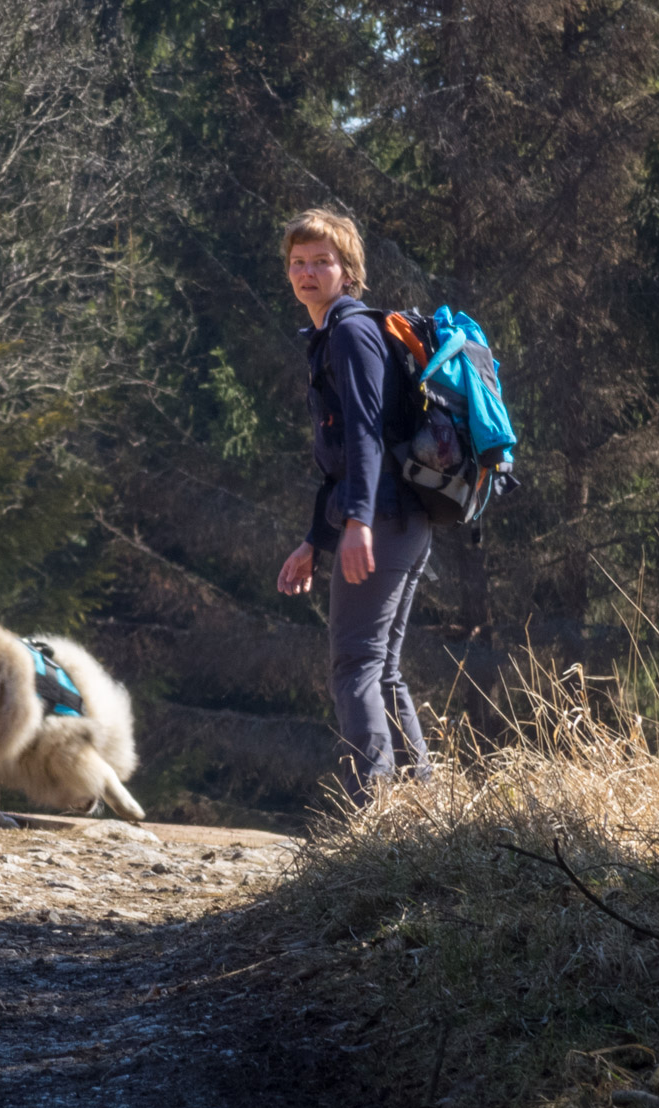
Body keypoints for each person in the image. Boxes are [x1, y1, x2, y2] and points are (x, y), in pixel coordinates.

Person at [273, 208, 433, 803]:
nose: (308, 273)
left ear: (348, 270)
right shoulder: (329, 335)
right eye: (298, 263)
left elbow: (365, 434)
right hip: (396, 517)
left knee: (355, 668)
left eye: (322, 261)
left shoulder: (350, 332)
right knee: (380, 669)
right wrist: (317, 539)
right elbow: (339, 455)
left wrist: (359, 523)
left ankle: (370, 814)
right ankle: (418, 813)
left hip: (384, 519)